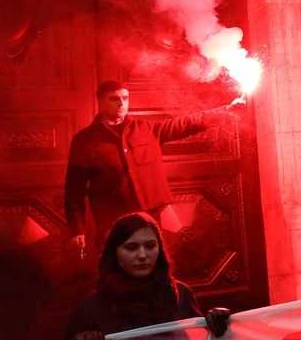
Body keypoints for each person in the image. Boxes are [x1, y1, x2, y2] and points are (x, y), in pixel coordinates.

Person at [64, 81, 239, 254]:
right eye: (114, 99)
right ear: (100, 102)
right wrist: (77, 229)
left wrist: (226, 112)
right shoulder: (84, 141)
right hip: (112, 222)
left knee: (152, 268)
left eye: (125, 98)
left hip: (149, 218)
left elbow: (185, 124)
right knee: (117, 272)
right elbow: (74, 190)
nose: (121, 104)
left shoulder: (146, 129)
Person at [65, 212, 227, 340]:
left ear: (160, 249)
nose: (142, 255)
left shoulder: (180, 294)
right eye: (131, 248)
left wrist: (218, 325)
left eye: (150, 246)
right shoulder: (91, 308)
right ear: (115, 254)